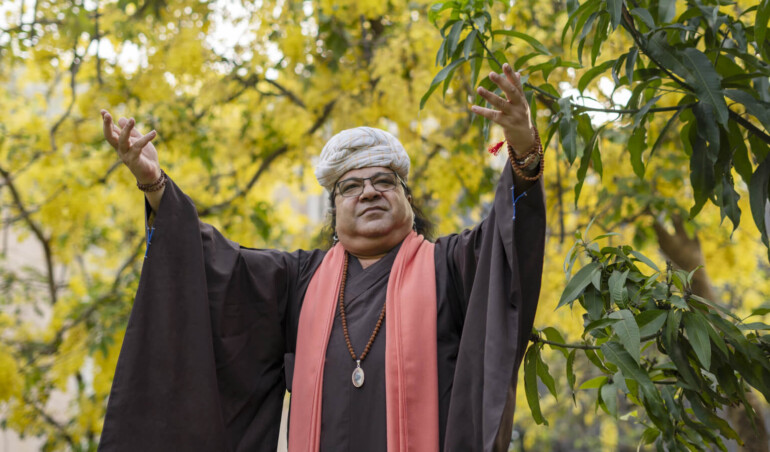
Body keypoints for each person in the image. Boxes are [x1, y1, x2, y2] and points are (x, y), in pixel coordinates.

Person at [97, 63, 546, 452]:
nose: (369, 192)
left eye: (384, 181)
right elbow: (213, 266)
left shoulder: (448, 266)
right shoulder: (299, 280)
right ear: (334, 214)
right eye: (351, 186)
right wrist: (155, 184)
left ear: (408, 200)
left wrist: (523, 148)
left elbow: (508, 244)